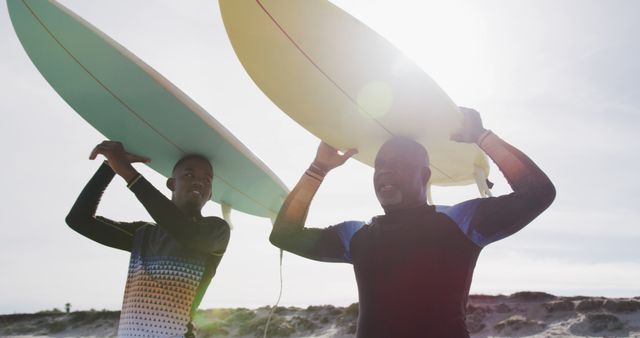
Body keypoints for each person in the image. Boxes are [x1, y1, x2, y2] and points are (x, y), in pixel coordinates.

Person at [269, 108, 556, 337]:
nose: (385, 171)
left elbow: (538, 193)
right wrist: (317, 169)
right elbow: (284, 235)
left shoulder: (458, 223)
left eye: (398, 163)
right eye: (379, 166)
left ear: (425, 176)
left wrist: (482, 136)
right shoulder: (357, 236)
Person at [66, 140, 230, 338]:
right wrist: (109, 167)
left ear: (210, 193)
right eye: (189, 175)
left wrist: (127, 172)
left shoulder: (216, 231)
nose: (199, 182)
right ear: (172, 184)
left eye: (207, 180)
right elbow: (79, 220)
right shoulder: (143, 235)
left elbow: (186, 234)